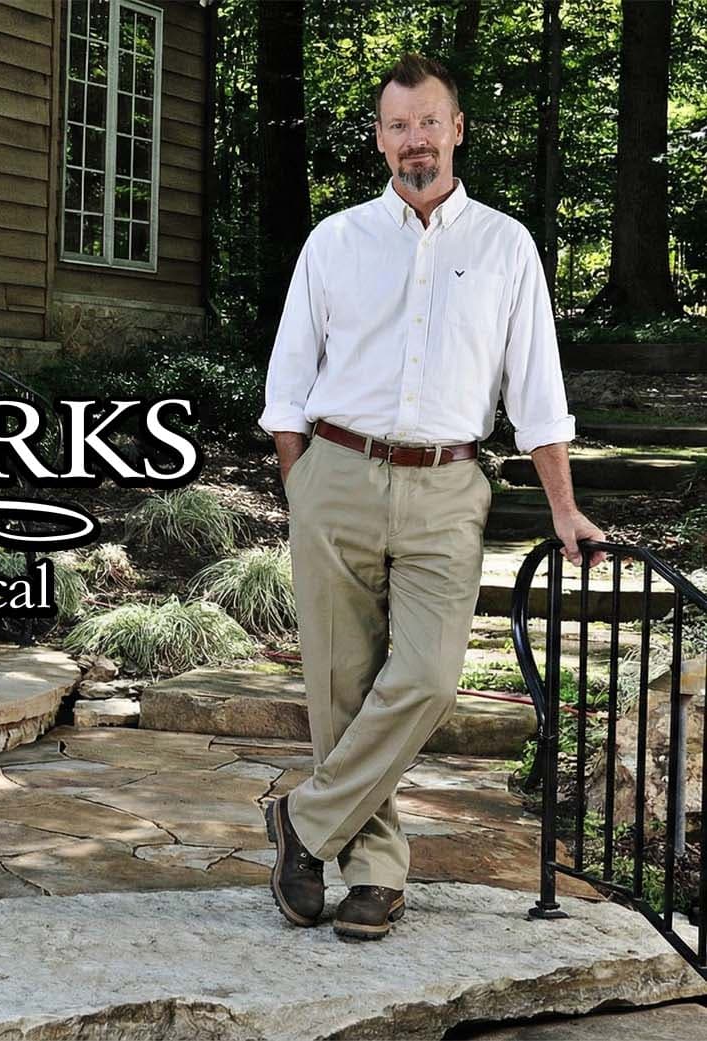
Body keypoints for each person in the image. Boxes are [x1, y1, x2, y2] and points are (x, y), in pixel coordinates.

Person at [256, 52, 606, 941]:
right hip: (334, 474)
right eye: (398, 124)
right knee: (341, 687)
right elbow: (290, 378)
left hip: (450, 483)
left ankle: (303, 821)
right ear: (380, 139)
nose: (415, 140)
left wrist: (563, 505)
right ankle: (373, 871)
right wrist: (302, 485)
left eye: (430, 121)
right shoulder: (336, 240)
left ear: (457, 129)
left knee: (426, 678)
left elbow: (537, 390)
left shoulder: (506, 246)